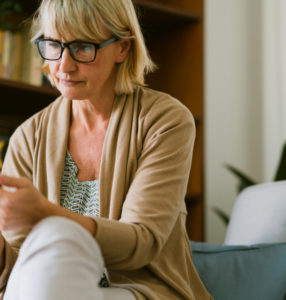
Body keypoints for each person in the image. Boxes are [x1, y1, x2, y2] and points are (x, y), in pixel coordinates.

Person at [0, 0, 213, 299]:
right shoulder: (28, 136)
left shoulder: (165, 120)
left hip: (138, 290)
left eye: (83, 47)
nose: (63, 65)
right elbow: (15, 266)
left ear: (123, 48)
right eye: (52, 45)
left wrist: (47, 217)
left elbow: (143, 242)